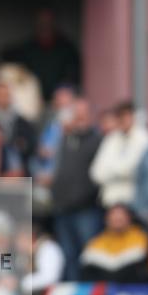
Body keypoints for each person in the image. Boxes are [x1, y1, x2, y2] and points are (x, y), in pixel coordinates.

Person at [49, 98, 102, 280]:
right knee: (68, 256)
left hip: (86, 209)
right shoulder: (65, 139)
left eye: (83, 114)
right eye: (76, 114)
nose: (79, 118)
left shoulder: (97, 140)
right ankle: (73, 293)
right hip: (63, 208)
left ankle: (90, 293)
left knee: (89, 255)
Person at [0, 8, 80, 101]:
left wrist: (63, 90)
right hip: (32, 101)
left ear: (54, 23)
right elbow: (6, 55)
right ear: (36, 24)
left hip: (58, 102)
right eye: (41, 23)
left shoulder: (66, 48)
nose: (45, 26)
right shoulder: (28, 48)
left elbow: (73, 75)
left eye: (48, 23)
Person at [89, 101, 148, 208]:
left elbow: (134, 169)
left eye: (126, 116)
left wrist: (111, 170)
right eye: (120, 116)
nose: (123, 120)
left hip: (133, 201)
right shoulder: (111, 138)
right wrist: (120, 171)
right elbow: (96, 173)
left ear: (133, 116)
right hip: (110, 202)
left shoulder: (144, 138)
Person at [79, 204, 148, 283]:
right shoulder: (95, 245)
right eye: (114, 218)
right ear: (106, 220)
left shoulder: (143, 241)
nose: (117, 219)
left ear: (129, 218)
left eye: (121, 218)